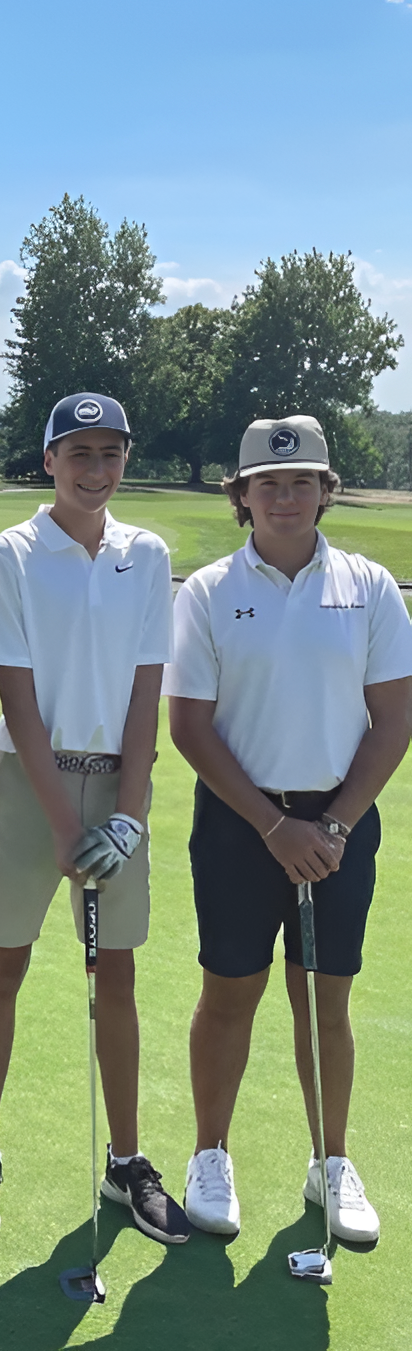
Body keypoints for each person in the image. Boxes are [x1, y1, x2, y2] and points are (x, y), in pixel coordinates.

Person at [0, 393, 192, 1247]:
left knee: (116, 980)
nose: (97, 471)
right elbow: (16, 701)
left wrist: (127, 817)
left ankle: (126, 1162)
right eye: (79, 454)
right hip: (29, 785)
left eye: (112, 453)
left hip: (119, 782)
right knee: (3, 968)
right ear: (48, 459)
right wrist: (63, 823)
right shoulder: (13, 553)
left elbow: (144, 690)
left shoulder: (147, 553)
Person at [166, 415, 412, 1242]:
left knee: (325, 1003)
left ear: (324, 492)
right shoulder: (206, 591)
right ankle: (211, 1154)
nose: (284, 496)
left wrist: (334, 825)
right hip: (241, 823)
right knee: (229, 992)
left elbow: (393, 720)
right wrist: (274, 826)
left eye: (301, 481)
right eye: (266, 483)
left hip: (341, 825)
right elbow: (191, 727)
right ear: (241, 495)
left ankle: (330, 1164)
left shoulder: (370, 587)